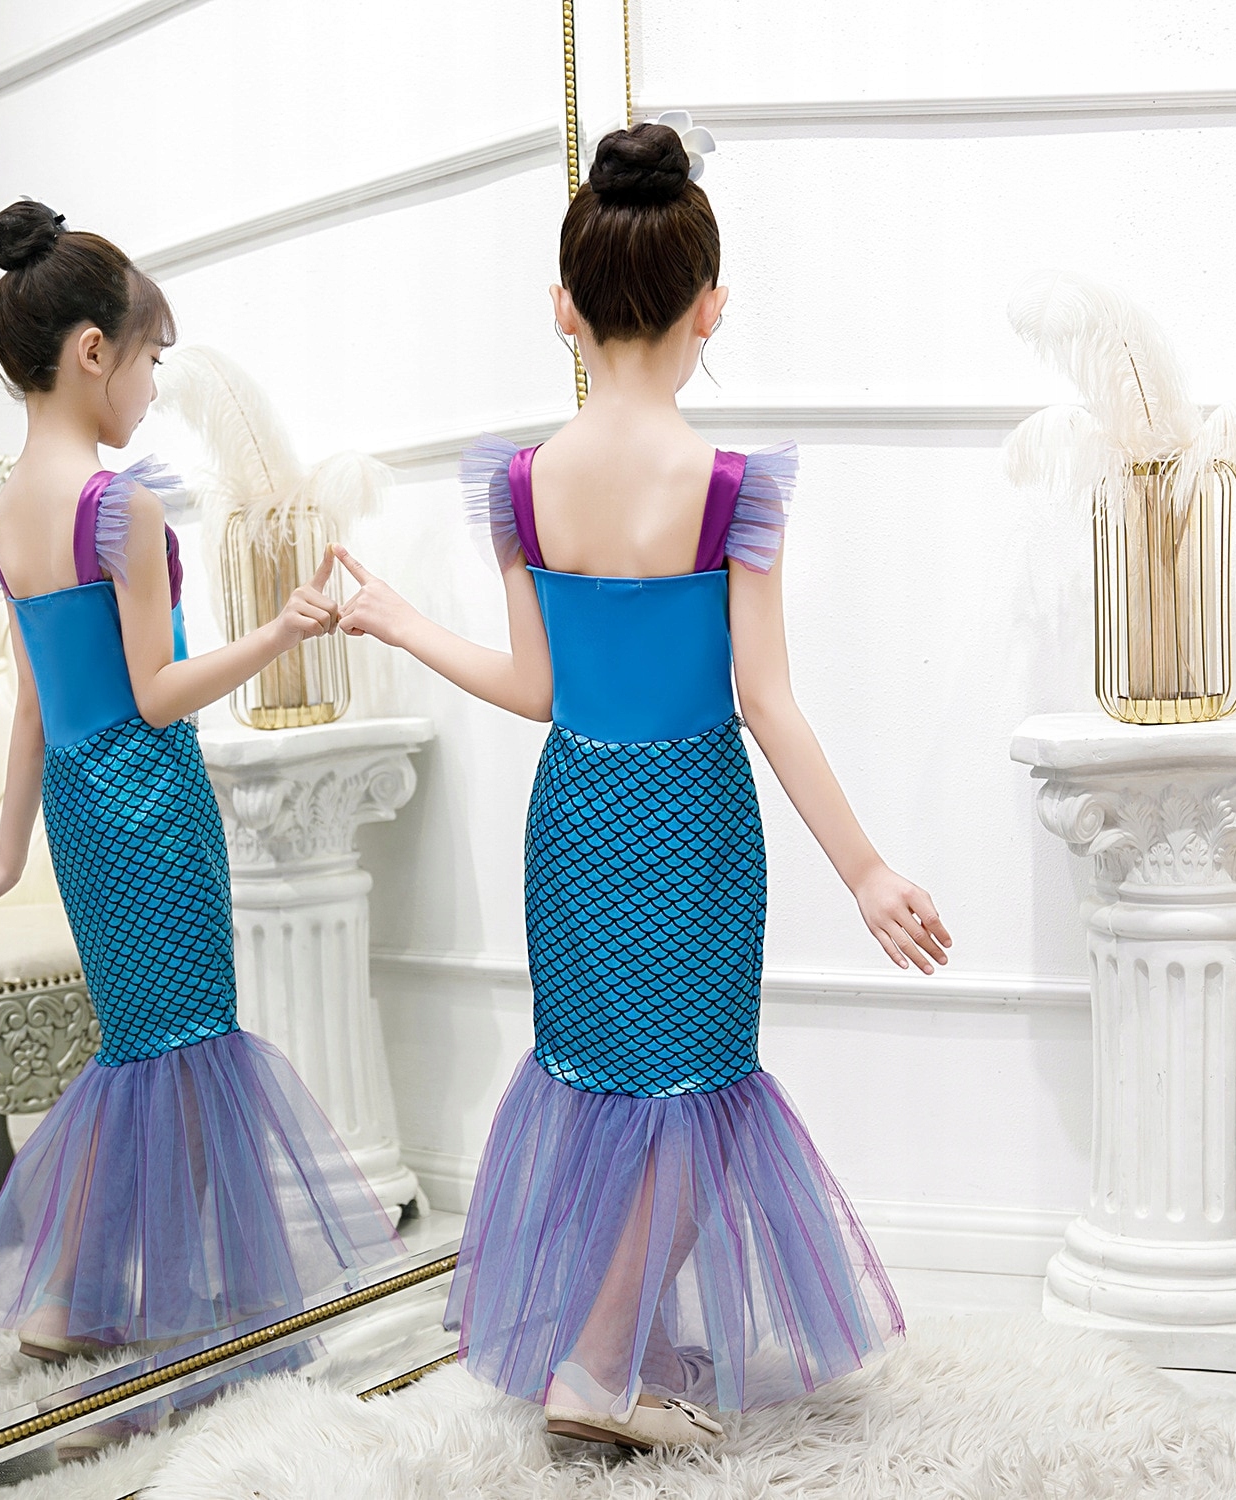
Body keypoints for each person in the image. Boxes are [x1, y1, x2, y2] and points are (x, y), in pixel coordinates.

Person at [330, 123, 950, 1450]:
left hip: (574, 820)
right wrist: (866, 870)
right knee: (697, 1090)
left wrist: (400, 621)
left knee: (612, 1083)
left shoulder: (521, 484)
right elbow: (766, 700)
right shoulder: (729, 489)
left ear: (563, 306)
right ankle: (602, 1366)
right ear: (709, 306)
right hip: (693, 824)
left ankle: (610, 1348)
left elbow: (533, 688)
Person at [0, 200, 402, 1362]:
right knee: (188, 1045)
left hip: (79, 811)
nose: (154, 387)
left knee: (145, 1051)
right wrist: (281, 630)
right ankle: (124, 1309)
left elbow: (40, 705)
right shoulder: (119, 505)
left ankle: (78, 1302)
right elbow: (156, 694)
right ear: (91, 353)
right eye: (149, 358)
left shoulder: (6, 517)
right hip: (150, 804)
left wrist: (8, 849)